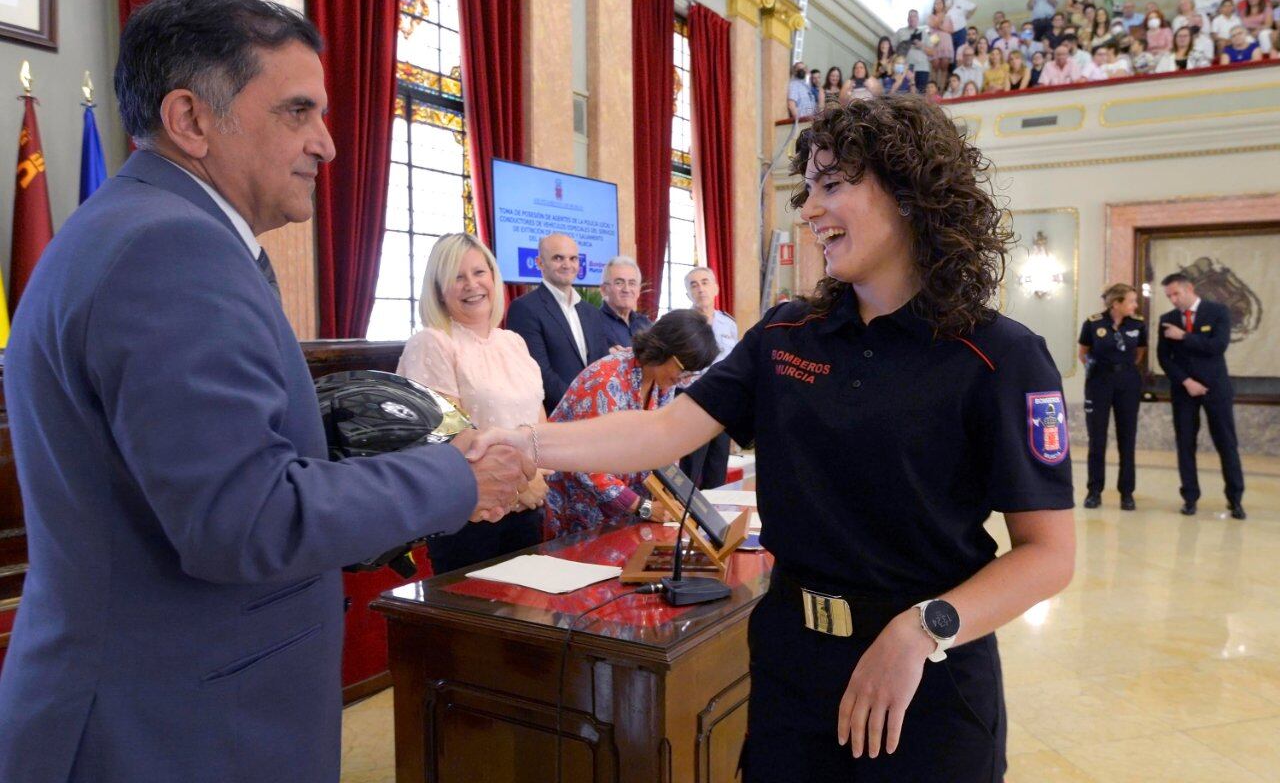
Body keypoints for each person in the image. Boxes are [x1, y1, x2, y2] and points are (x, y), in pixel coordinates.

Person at [0, 0, 532, 783]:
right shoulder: (171, 250)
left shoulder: (142, 229)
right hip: (171, 729)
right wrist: (457, 475)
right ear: (191, 119)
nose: (328, 144)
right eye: (296, 111)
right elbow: (241, 519)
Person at [467, 96, 1076, 782]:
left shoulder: (998, 356)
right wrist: (529, 443)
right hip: (795, 660)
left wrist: (924, 628)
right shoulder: (786, 336)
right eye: (808, 188)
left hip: (926, 674)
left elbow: (1049, 555)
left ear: (910, 195)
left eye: (834, 185)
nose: (810, 209)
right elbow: (662, 430)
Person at [397, 233, 549, 572]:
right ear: (438, 289)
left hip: (528, 504)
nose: (472, 285)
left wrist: (536, 479)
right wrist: (520, 483)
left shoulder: (512, 342)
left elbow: (538, 421)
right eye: (457, 276)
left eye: (479, 273)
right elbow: (449, 434)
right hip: (471, 516)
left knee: (530, 615)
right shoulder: (432, 342)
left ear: (494, 278)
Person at [542, 310, 717, 537]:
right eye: (684, 370)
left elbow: (665, 442)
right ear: (666, 350)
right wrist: (645, 507)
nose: (685, 379)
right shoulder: (606, 380)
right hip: (577, 510)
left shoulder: (662, 379)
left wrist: (673, 497)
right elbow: (589, 466)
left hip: (621, 512)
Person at [1157, 272, 1246, 519]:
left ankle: (1235, 499)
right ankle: (1190, 498)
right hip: (1184, 390)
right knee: (1185, 444)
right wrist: (1186, 381)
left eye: (1176, 293)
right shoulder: (1167, 319)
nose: (1173, 300)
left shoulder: (1218, 312)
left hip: (1216, 388)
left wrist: (1184, 336)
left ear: (1190, 288)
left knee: (1226, 443)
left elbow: (1218, 346)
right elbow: (1164, 358)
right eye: (1169, 296)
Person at [506, 232, 611, 414]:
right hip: (554, 419)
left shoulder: (592, 313)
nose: (567, 265)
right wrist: (581, 406)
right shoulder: (524, 309)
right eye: (558, 258)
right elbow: (539, 373)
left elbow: (602, 366)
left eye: (573, 258)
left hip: (596, 419)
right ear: (540, 263)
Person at [1078, 284, 1146, 510]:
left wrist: (1122, 369)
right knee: (1097, 439)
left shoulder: (1137, 324)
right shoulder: (1093, 322)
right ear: (1116, 303)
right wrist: (1101, 370)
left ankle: (1127, 492)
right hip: (1099, 383)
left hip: (1127, 384)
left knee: (1127, 439)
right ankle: (1094, 491)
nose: (1135, 305)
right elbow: (1083, 353)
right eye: (1131, 301)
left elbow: (1139, 354)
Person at [681, 265, 739, 490]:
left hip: (722, 403)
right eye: (693, 285)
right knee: (692, 467)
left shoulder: (729, 324)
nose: (700, 289)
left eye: (705, 282)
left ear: (715, 288)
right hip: (694, 403)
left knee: (717, 465)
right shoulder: (681, 324)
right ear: (688, 293)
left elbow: (733, 363)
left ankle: (714, 516)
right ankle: (683, 515)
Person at [598, 254, 652, 348]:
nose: (626, 289)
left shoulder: (645, 323)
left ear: (638, 290)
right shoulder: (593, 323)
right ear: (604, 290)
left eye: (632, 283)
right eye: (619, 283)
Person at [894, 10, 933, 93]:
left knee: (920, 96)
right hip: (904, 68)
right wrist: (899, 68)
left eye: (914, 16)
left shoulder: (924, 33)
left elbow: (932, 52)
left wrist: (921, 45)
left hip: (922, 68)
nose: (912, 18)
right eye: (910, 16)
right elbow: (893, 50)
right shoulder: (900, 32)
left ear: (918, 19)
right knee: (901, 94)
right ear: (907, 19)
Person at [927, 0, 955, 85]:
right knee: (935, 65)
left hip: (946, 41)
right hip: (934, 40)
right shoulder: (930, 16)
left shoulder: (948, 17)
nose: (938, 5)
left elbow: (951, 30)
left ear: (943, 5)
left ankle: (941, 91)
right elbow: (934, 24)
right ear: (934, 6)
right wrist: (941, 17)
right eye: (936, 3)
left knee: (944, 66)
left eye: (940, 3)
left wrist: (940, 27)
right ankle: (933, 88)